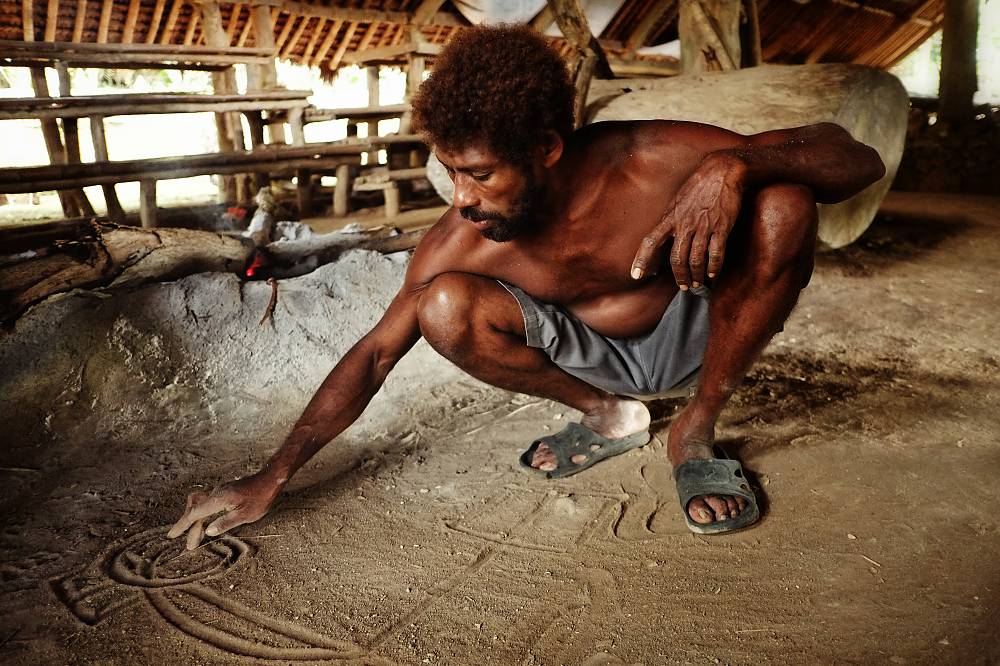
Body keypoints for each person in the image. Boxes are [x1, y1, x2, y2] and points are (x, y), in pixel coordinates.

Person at [169, 24, 885, 545]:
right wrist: (274, 474)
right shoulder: (462, 240)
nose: (462, 197)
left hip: (699, 331)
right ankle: (611, 415)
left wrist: (734, 167)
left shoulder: (650, 157)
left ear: (545, 150)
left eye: (479, 173)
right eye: (451, 171)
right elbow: (374, 355)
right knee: (441, 306)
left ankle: (695, 431)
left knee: (784, 203)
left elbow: (854, 157)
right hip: (593, 358)